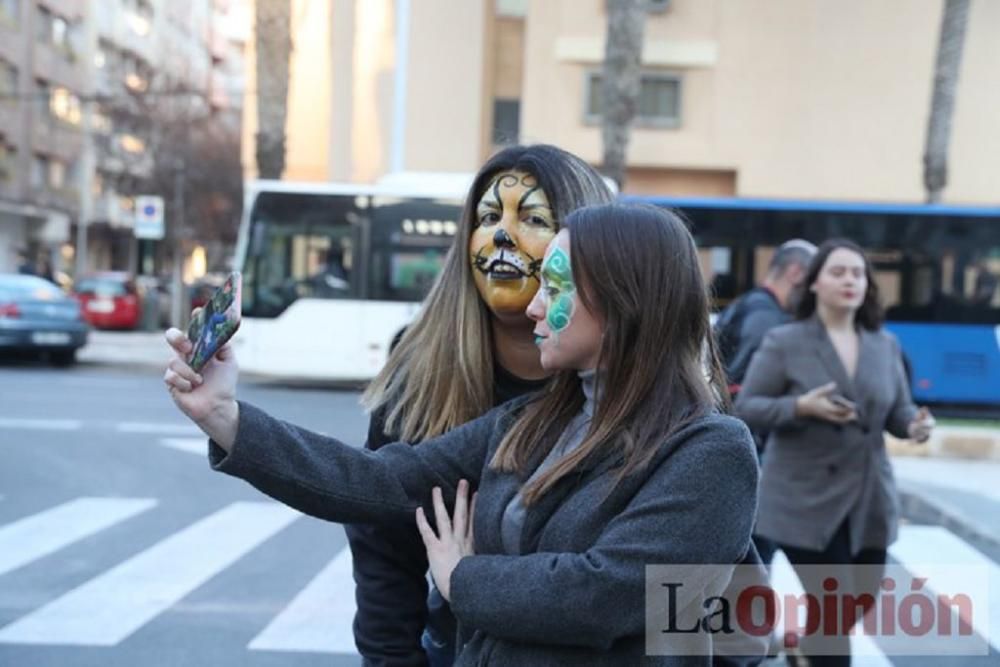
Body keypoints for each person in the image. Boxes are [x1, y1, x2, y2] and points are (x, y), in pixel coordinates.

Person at [163, 203, 762, 665]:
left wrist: (460, 578)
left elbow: (604, 594)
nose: (532, 308)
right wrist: (225, 416)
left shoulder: (710, 451)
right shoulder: (531, 419)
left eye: (556, 287)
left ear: (625, 299)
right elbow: (377, 480)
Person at [735, 238, 935, 667]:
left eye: (858, 273)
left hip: (868, 499)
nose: (849, 281)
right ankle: (818, 653)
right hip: (804, 497)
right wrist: (800, 407)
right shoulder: (784, 341)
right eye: (838, 272)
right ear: (814, 283)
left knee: (856, 602)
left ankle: (802, 648)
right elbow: (746, 407)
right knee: (834, 609)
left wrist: (914, 425)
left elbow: (897, 411)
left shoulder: (884, 344)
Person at [713, 238, 816, 571]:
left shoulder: (748, 306)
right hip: (754, 461)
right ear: (796, 273)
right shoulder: (767, 321)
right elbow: (741, 393)